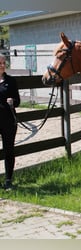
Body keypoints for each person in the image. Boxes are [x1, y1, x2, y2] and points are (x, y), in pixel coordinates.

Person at [0, 53, 20, 190]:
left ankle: (8, 180)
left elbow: (18, 101)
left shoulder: (11, 81)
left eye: (3, 63)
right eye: (0, 63)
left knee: (9, 151)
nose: (2, 65)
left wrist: (13, 102)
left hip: (8, 121)